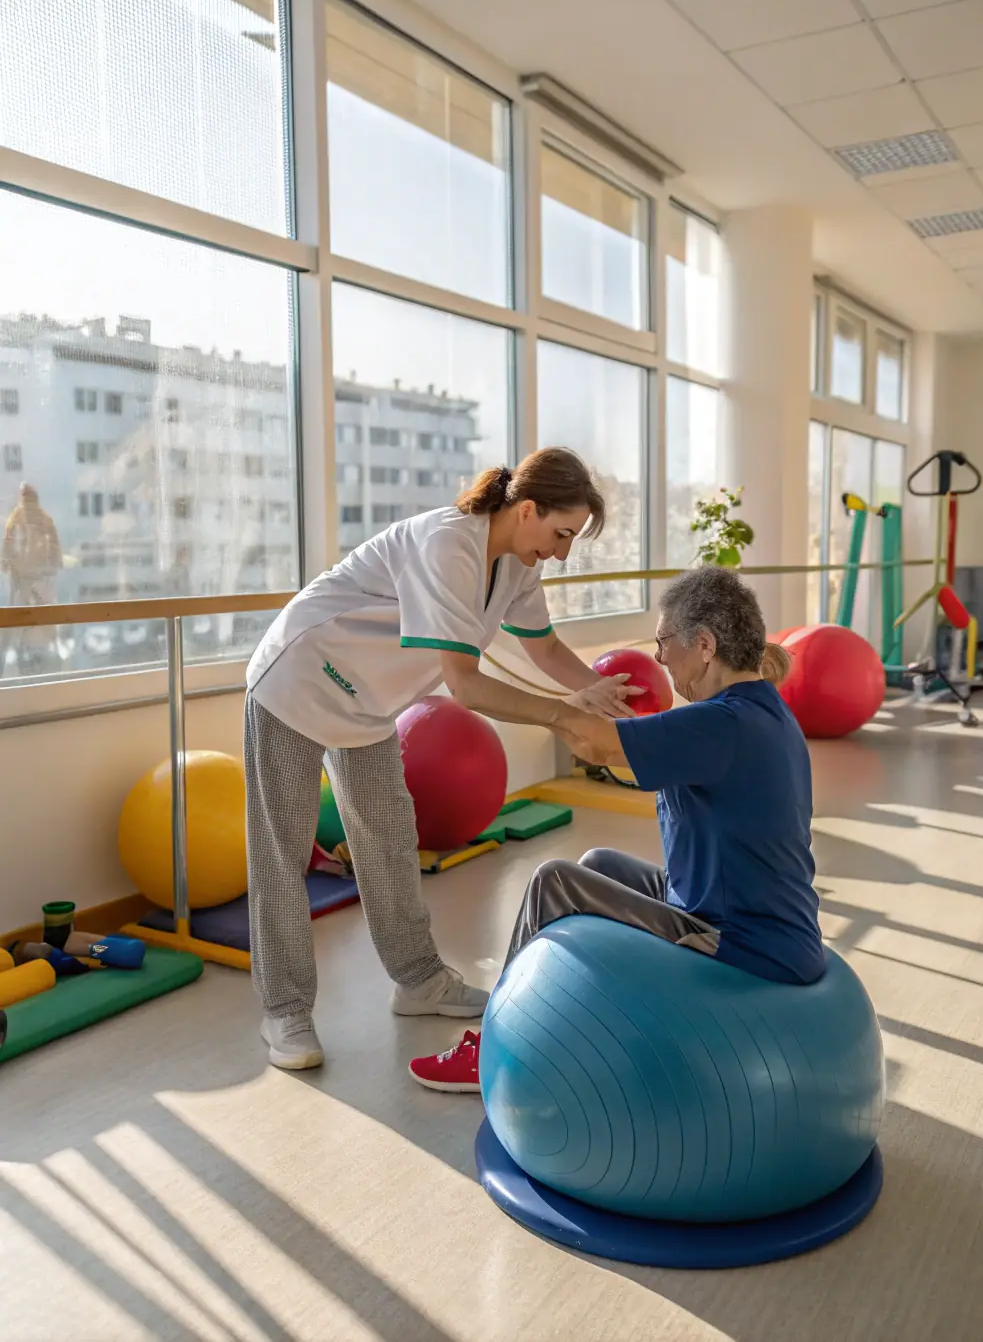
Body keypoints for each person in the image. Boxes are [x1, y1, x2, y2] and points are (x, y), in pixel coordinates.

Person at [245, 448, 641, 1071]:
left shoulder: (516, 564)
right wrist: (566, 716)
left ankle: (418, 979)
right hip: (298, 678)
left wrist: (588, 688)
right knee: (281, 851)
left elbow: (545, 647)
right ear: (528, 509)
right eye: (561, 534)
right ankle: (286, 1010)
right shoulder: (447, 544)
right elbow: (466, 685)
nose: (562, 552)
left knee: (389, 840)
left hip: (367, 705)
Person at [408, 567, 824, 1093]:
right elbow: (621, 745)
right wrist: (589, 711)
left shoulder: (721, 724)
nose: (657, 657)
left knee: (554, 882)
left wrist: (561, 710)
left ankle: (496, 1046)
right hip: (737, 909)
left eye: (663, 641)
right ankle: (566, 1021)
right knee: (599, 864)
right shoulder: (756, 710)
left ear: (704, 644)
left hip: (742, 939)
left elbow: (599, 747)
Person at [1, 483, 63, 676]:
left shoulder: (20, 517)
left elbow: (8, 545)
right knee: (36, 621)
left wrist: (7, 562)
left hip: (28, 580)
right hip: (34, 579)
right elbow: (54, 548)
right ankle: (44, 654)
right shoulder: (42, 519)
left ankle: (24, 656)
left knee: (21, 623)